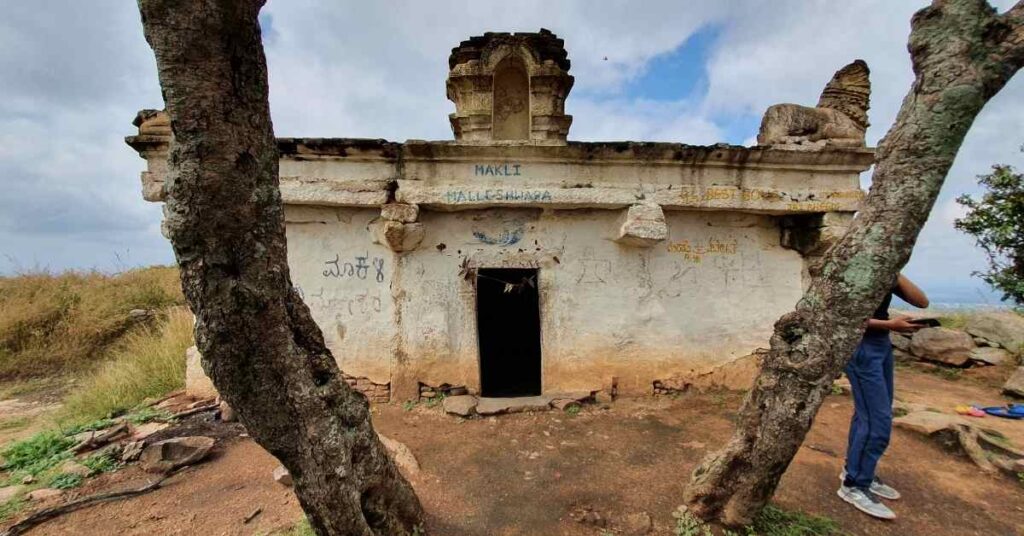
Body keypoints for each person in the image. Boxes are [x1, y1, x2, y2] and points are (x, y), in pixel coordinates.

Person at [837, 274, 929, 520]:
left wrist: (895, 271)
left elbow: (922, 302)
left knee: (871, 413)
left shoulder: (884, 269)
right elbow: (841, 318)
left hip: (881, 344)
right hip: (861, 347)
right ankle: (854, 486)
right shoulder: (850, 271)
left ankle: (854, 470)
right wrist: (890, 325)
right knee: (877, 421)